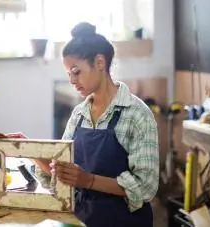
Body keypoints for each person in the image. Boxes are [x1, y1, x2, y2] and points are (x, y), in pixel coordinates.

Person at [36, 22, 159, 227]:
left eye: (77, 71)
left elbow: (145, 187)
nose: (73, 81)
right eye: (69, 74)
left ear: (100, 62)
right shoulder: (79, 114)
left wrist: (88, 181)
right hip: (82, 220)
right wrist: (28, 150)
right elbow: (64, 171)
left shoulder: (136, 114)